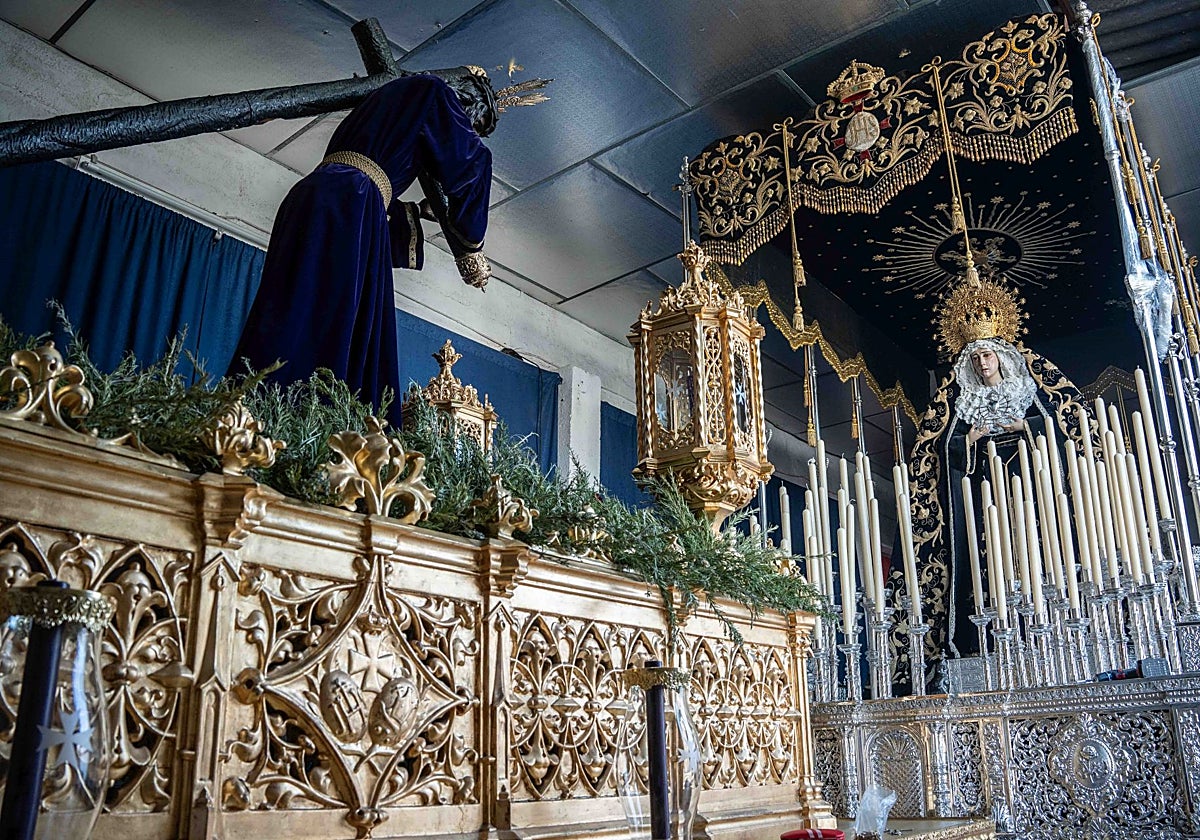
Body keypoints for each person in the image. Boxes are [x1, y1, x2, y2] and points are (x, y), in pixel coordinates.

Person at [232, 69, 498, 423]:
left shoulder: (391, 104)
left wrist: (417, 212)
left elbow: (380, 171)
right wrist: (471, 244)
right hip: (351, 202)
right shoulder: (434, 92)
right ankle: (306, 415)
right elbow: (471, 162)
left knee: (290, 305)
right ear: (466, 107)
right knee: (333, 319)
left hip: (316, 196)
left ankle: (254, 407)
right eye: (471, 126)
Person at [887, 279, 1090, 692]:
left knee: (1033, 552)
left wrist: (1024, 426)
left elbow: (1064, 429)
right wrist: (971, 440)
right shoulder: (960, 403)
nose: (983, 363)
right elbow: (938, 449)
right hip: (979, 497)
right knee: (984, 562)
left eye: (988, 355)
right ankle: (982, 636)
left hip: (1031, 492)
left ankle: (1050, 628)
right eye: (976, 357)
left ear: (1002, 357)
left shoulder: (1029, 390)